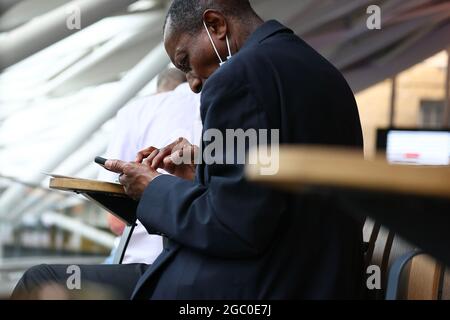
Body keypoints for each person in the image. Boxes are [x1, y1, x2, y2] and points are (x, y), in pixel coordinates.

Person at [13, 0, 364, 300]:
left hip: (257, 286)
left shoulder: (239, 76)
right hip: (312, 278)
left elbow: (235, 226)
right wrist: (202, 171)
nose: (193, 83)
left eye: (185, 61)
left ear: (215, 25)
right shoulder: (314, 68)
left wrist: (153, 188)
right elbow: (266, 191)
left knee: (41, 280)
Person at [101, 68, 202, 265]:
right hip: (198, 259)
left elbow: (115, 222)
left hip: (143, 261)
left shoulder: (137, 110)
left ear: (158, 90)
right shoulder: (212, 103)